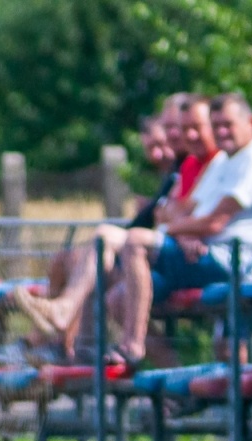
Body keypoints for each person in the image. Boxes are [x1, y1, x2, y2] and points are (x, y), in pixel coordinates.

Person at [11, 93, 221, 358]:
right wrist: (174, 220)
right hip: (165, 251)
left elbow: (190, 217)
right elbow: (168, 214)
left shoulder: (211, 163)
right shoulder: (190, 164)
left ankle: (59, 335)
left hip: (187, 258)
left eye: (185, 128)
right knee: (81, 262)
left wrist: (176, 224)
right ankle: (72, 344)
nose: (180, 135)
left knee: (99, 248)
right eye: (176, 128)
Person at [116, 92, 252, 362]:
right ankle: (175, 385)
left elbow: (213, 222)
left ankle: (132, 345)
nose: (221, 131)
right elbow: (180, 211)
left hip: (240, 264)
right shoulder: (224, 160)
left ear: (251, 123)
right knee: (117, 297)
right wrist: (184, 231)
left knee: (136, 241)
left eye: (228, 124)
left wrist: (178, 229)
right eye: (216, 124)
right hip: (207, 255)